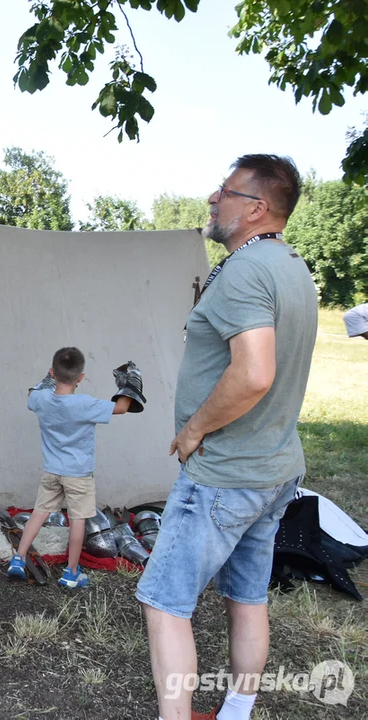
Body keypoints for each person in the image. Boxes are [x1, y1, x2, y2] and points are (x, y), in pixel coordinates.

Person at [136, 155, 317, 720]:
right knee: (247, 596)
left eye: (227, 191)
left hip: (226, 474)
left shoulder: (246, 270)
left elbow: (255, 372)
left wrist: (194, 429)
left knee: (164, 603)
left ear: (257, 208)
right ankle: (236, 712)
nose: (214, 198)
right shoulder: (292, 266)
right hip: (273, 468)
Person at [6, 348, 141, 588]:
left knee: (40, 512)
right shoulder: (84, 403)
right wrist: (131, 382)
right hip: (78, 474)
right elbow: (121, 407)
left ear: (52, 372)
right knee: (77, 520)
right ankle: (71, 573)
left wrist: (48, 379)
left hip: (52, 470)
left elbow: (32, 392)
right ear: (81, 377)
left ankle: (18, 558)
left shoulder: (40, 399)